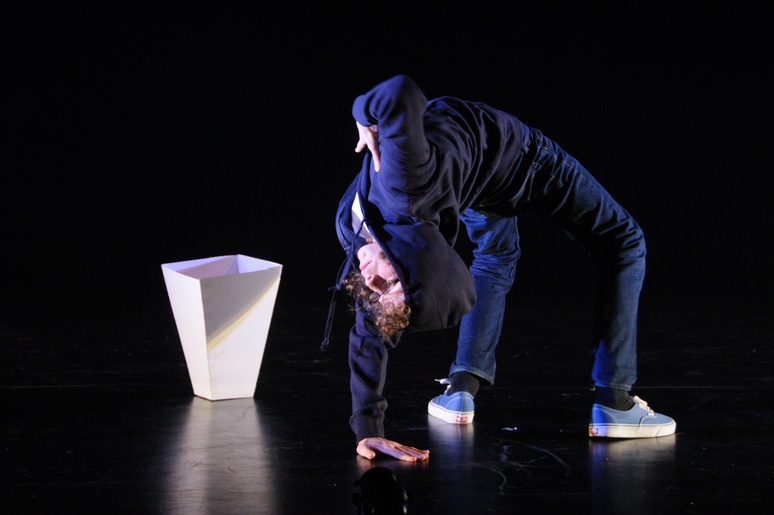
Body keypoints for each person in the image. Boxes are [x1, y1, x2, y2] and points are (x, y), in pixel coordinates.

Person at [323, 75, 676, 462]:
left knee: (601, 242)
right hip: (496, 173)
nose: (370, 279)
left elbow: (399, 91)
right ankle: (612, 402)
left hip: (515, 165)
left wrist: (364, 116)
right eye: (388, 284)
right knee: (618, 242)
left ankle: (462, 391)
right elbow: (372, 331)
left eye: (380, 287)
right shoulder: (396, 240)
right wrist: (369, 430)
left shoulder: (403, 180)